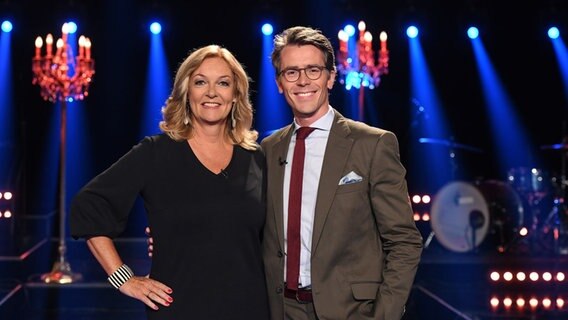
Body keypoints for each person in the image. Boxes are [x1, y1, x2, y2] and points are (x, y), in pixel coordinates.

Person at [70, 44, 269, 319]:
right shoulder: (156, 152)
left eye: (223, 83)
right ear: (187, 92)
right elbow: (88, 207)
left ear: (235, 95)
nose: (212, 92)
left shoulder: (257, 157)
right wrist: (123, 278)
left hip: (250, 308)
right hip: (179, 309)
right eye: (200, 82)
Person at [260, 26, 423, 319]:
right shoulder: (268, 149)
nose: (303, 81)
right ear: (279, 83)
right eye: (291, 72)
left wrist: (384, 315)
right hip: (280, 309)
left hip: (351, 311)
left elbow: (404, 241)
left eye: (313, 70)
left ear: (331, 76)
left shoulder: (372, 144)